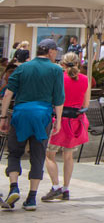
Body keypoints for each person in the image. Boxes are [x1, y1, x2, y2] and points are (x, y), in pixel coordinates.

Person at [0, 39, 65, 211]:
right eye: (55, 51)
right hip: (42, 115)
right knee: (38, 154)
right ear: (50, 51)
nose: (56, 54)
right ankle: (31, 198)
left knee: (14, 152)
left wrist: (2, 116)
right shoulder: (56, 70)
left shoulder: (22, 67)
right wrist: (58, 120)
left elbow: (8, 93)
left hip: (21, 113)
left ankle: (14, 186)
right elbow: (59, 98)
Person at [40, 52, 88, 202]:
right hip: (75, 121)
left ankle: (55, 186)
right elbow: (86, 104)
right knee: (68, 156)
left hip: (59, 120)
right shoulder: (85, 79)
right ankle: (66, 188)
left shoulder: (59, 78)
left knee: (49, 154)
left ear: (63, 64)